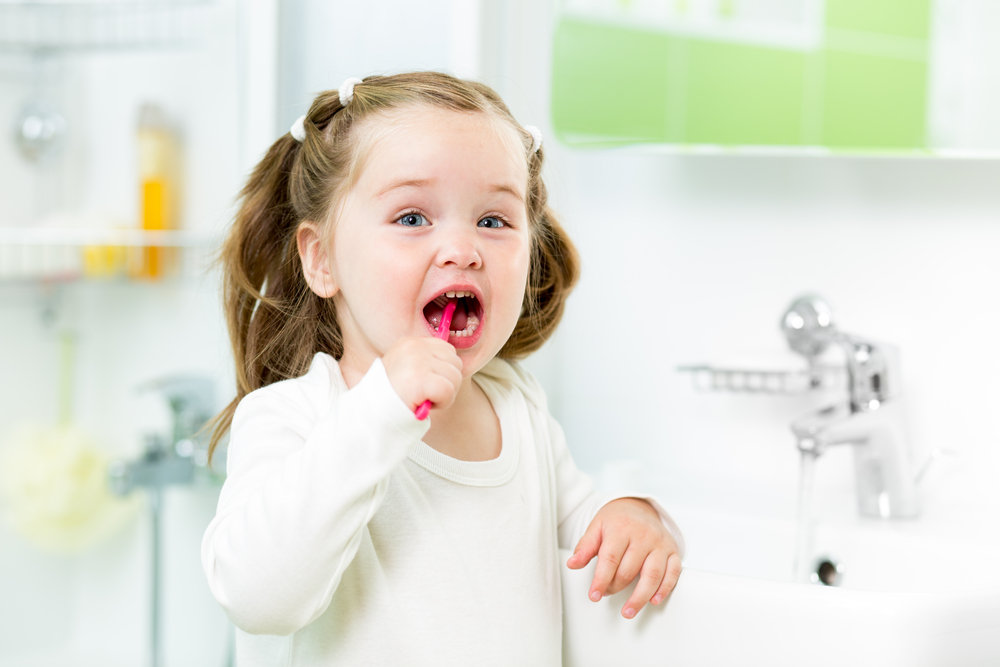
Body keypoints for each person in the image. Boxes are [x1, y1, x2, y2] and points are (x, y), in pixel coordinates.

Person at [201, 71, 683, 666]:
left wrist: (637, 515)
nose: (463, 248)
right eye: (411, 218)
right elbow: (257, 597)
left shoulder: (517, 406)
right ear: (321, 260)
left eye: (493, 220)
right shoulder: (294, 417)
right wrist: (381, 411)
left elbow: (594, 541)